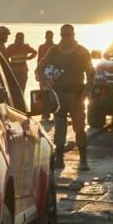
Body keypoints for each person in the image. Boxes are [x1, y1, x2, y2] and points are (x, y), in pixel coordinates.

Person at [36, 24, 94, 171]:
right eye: (63, 35)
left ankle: (83, 160)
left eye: (68, 34)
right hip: (58, 96)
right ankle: (59, 159)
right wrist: (43, 82)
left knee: (79, 128)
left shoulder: (82, 52)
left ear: (73, 34)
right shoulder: (54, 51)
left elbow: (91, 73)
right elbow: (40, 67)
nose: (65, 37)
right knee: (60, 129)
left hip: (76, 96)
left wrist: (87, 90)